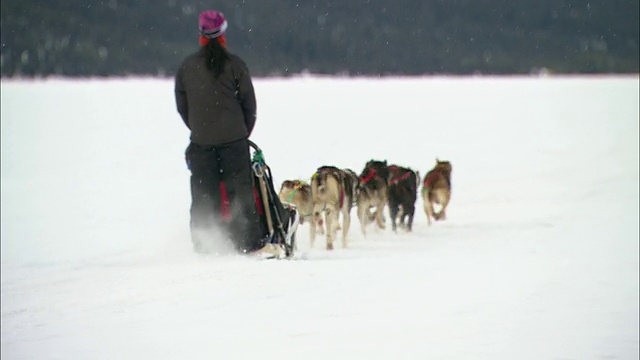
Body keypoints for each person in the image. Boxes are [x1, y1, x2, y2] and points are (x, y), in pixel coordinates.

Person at [174, 10, 278, 256]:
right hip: (234, 143)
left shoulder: (187, 67)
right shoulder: (235, 65)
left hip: (201, 144)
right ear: (223, 36)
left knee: (203, 196)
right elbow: (249, 106)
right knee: (241, 194)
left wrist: (201, 129)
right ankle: (250, 245)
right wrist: (239, 133)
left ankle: (205, 245)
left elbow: (183, 107)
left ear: (201, 36)